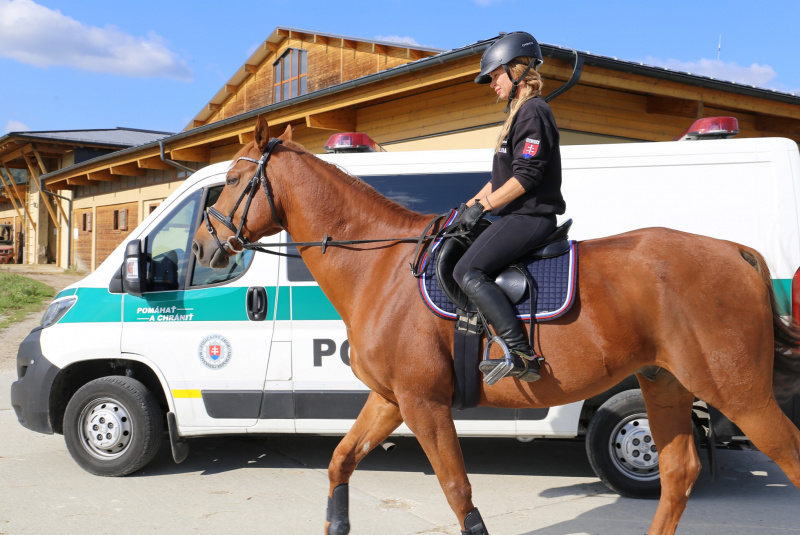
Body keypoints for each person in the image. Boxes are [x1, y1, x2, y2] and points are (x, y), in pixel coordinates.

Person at [453, 31, 566, 383]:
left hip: (532, 216)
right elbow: (499, 180)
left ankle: (520, 353)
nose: (490, 83)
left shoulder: (534, 112)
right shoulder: (518, 114)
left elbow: (526, 177)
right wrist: (463, 210)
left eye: (494, 75)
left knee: (467, 271)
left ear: (517, 70)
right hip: (517, 214)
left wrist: (484, 207)